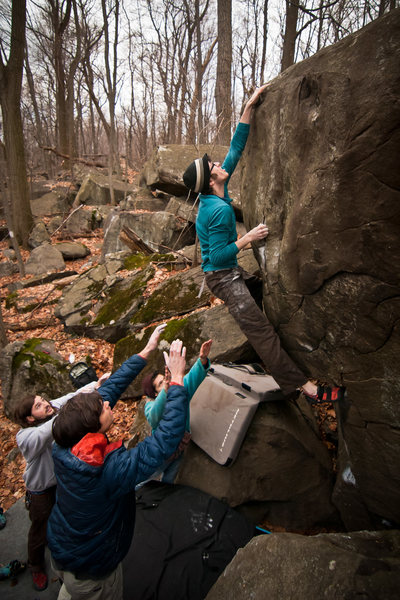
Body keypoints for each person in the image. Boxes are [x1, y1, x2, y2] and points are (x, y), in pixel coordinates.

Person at [183, 85, 345, 403]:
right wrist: (248, 238)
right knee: (261, 330)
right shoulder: (214, 210)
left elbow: (235, 150)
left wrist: (248, 108)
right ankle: (303, 388)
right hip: (222, 277)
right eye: (212, 165)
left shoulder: (217, 188)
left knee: (266, 302)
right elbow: (215, 254)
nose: (218, 162)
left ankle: (274, 364)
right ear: (211, 179)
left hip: (229, 272)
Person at [47, 331, 188, 600]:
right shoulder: (106, 473)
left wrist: (144, 352)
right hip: (93, 570)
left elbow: (109, 390)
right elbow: (164, 441)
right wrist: (178, 381)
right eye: (103, 408)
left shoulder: (64, 443)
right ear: (92, 428)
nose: (109, 404)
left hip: (63, 549)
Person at [13, 374, 109, 592]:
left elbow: (70, 397)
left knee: (63, 519)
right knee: (40, 527)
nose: (45, 404)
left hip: (61, 481)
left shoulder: (51, 409)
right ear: (30, 418)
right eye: (38, 406)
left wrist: (95, 386)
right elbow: (46, 432)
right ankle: (36, 565)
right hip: (41, 490)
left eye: (43, 400)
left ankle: (59, 549)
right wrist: (71, 413)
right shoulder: (25, 436)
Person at [142, 338, 212, 483]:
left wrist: (202, 359)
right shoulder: (150, 405)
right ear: (154, 393)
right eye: (161, 383)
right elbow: (153, 417)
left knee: (169, 481)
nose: (166, 382)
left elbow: (192, 378)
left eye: (165, 378)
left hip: (179, 448)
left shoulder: (179, 389)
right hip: (161, 453)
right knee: (144, 481)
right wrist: (166, 389)